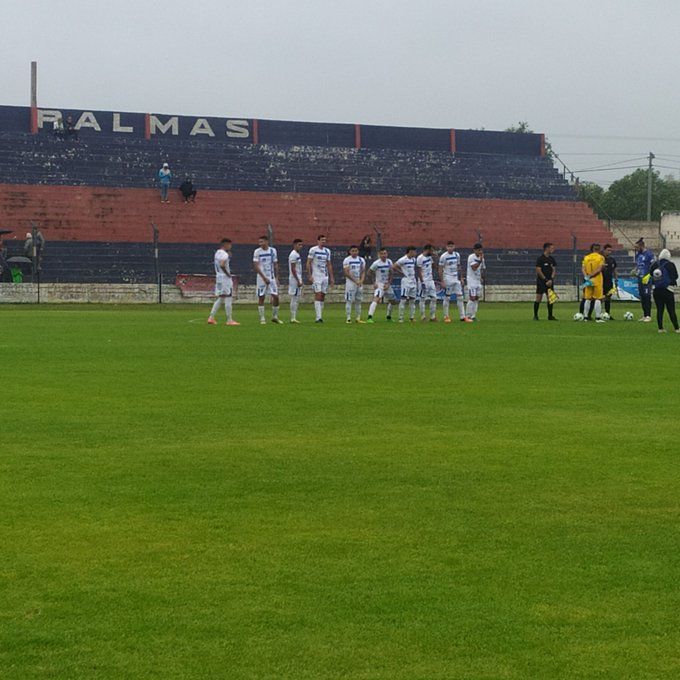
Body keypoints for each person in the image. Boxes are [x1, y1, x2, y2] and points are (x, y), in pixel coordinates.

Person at [207, 238, 240, 326]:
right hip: (225, 278)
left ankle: (211, 317)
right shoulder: (224, 254)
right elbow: (222, 264)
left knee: (221, 297)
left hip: (218, 277)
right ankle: (229, 320)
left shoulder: (217, 253)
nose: (230, 246)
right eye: (230, 245)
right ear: (225, 244)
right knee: (228, 297)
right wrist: (228, 274)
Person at [253, 235, 282, 324]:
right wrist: (264, 277)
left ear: (267, 242)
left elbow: (275, 264)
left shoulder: (273, 251)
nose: (260, 244)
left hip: (271, 277)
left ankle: (275, 317)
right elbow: (256, 266)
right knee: (261, 297)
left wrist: (277, 277)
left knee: (276, 297)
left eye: (262, 242)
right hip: (261, 278)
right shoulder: (257, 252)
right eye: (259, 242)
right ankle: (262, 318)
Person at [649, 248, 680, 334]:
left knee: (660, 310)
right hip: (668, 289)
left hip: (656, 290)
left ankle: (660, 328)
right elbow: (676, 276)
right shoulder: (671, 265)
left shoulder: (655, 264)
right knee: (671, 310)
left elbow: (651, 274)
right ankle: (677, 328)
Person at [438, 241, 469, 323]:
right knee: (447, 297)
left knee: (460, 297)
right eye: (449, 246)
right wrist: (442, 281)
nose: (450, 248)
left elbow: (459, 266)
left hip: (456, 278)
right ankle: (446, 316)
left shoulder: (457, 255)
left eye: (452, 246)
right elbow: (440, 269)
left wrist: (461, 278)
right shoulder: (443, 256)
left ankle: (463, 317)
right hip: (447, 278)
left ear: (454, 246)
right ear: (446, 247)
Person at [307, 234, 334, 323]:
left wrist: (331, 277)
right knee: (317, 294)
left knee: (322, 295)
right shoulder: (313, 250)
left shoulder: (327, 251)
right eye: (322, 240)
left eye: (324, 240)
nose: (323, 241)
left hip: (325, 276)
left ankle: (320, 315)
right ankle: (318, 317)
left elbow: (329, 264)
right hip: (316, 276)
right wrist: (310, 275)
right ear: (318, 241)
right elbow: (308, 263)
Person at [367, 248, 396, 322]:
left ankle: (388, 317)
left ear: (387, 254)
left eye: (385, 253)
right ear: (379, 254)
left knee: (393, 301)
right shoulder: (376, 263)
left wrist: (389, 283)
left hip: (387, 284)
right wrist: (374, 282)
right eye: (382, 253)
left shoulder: (389, 262)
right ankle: (369, 317)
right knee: (376, 299)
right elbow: (369, 273)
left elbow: (392, 273)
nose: (384, 255)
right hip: (379, 284)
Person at [581, 243, 606, 323]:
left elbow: (583, 268)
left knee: (587, 298)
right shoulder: (601, 257)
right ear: (599, 249)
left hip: (588, 280)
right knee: (598, 298)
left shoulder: (586, 257)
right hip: (597, 279)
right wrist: (592, 275)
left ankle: (585, 317)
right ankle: (598, 318)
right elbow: (599, 269)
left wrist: (587, 276)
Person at [393, 246, 418, 323]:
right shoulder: (403, 259)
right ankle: (400, 318)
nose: (415, 253)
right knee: (403, 299)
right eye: (414, 251)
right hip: (406, 281)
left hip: (413, 281)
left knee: (412, 300)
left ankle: (412, 317)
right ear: (410, 251)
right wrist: (401, 272)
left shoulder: (413, 259)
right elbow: (394, 266)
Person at [343, 245, 366, 323]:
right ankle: (348, 318)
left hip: (359, 283)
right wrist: (355, 280)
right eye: (353, 251)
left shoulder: (361, 260)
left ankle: (358, 318)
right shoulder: (347, 260)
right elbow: (346, 272)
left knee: (358, 300)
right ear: (350, 252)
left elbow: (363, 271)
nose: (354, 252)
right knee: (349, 300)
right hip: (350, 283)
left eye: (356, 251)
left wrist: (361, 280)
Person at [534, 242, 557, 321]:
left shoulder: (552, 259)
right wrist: (545, 279)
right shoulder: (540, 259)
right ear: (547, 248)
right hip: (541, 282)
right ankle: (535, 316)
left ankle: (550, 316)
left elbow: (554, 270)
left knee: (551, 298)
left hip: (550, 282)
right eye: (551, 248)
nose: (553, 249)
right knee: (538, 298)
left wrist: (551, 279)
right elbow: (538, 270)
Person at [634, 238, 654, 322]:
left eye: (637, 247)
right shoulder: (638, 255)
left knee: (647, 296)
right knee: (642, 296)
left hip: (646, 279)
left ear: (642, 246)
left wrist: (649, 275)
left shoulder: (649, 254)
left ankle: (648, 315)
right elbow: (639, 265)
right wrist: (635, 270)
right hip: (640, 278)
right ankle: (645, 314)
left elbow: (653, 265)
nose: (635, 249)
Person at [416, 244, 437, 322]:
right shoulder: (420, 258)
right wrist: (422, 282)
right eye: (431, 250)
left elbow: (434, 266)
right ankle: (423, 316)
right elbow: (419, 270)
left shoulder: (430, 257)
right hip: (423, 281)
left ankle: (432, 316)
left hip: (430, 280)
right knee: (422, 298)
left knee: (434, 298)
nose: (432, 252)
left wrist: (435, 258)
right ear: (427, 250)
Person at [466, 243, 485, 321]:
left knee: (477, 298)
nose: (480, 252)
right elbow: (474, 268)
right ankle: (467, 316)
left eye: (481, 250)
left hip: (477, 281)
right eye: (478, 250)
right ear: (474, 250)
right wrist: (480, 260)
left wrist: (481, 277)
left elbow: (482, 268)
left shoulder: (482, 259)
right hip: (471, 280)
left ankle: (473, 315)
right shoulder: (471, 257)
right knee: (472, 298)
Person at [288, 239, 304, 324]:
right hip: (294, 279)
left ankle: (294, 317)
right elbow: (293, 269)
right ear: (294, 245)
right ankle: (293, 317)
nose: (300, 246)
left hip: (297, 277)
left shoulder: (297, 254)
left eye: (301, 245)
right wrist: (298, 280)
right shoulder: (293, 254)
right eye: (299, 245)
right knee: (294, 297)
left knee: (296, 297)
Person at [602, 244, 618, 319]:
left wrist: (616, 278)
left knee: (608, 297)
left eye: (610, 250)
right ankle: (595, 314)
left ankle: (607, 314)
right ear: (604, 250)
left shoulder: (612, 260)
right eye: (608, 250)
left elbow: (615, 270)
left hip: (609, 281)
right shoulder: (601, 259)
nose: (609, 252)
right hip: (601, 281)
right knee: (599, 298)